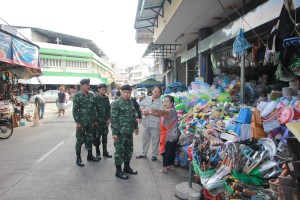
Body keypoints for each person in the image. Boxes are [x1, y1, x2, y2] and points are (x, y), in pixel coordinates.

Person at [111, 85, 139, 180]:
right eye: (125, 92)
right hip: (120, 132)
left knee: (129, 150)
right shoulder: (116, 103)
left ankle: (126, 167)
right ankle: (118, 171)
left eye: (128, 92)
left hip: (128, 131)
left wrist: (136, 127)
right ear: (121, 92)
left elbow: (133, 116)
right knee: (119, 151)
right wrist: (114, 133)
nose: (127, 94)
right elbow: (113, 119)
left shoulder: (130, 102)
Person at [73, 78, 100, 167]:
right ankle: (78, 158)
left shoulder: (91, 95)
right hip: (82, 122)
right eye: (86, 85)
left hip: (91, 122)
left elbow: (94, 108)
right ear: (82, 86)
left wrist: (95, 120)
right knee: (80, 140)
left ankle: (90, 155)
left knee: (90, 139)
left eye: (88, 85)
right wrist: (77, 122)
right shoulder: (78, 95)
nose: (88, 86)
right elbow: (75, 110)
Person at [151, 95, 179, 174]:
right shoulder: (170, 110)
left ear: (172, 103)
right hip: (173, 135)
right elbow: (162, 114)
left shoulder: (171, 110)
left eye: (167, 101)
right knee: (172, 151)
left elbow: (164, 112)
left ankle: (164, 168)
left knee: (166, 152)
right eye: (164, 101)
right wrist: (152, 112)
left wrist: (158, 111)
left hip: (169, 135)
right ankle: (171, 166)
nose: (164, 103)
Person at [136, 86, 163, 161]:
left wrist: (150, 113)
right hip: (146, 123)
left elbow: (160, 114)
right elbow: (141, 107)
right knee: (145, 139)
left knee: (155, 140)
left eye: (158, 92)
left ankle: (154, 155)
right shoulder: (146, 98)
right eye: (155, 91)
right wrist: (143, 110)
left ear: (160, 93)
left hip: (155, 124)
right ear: (152, 91)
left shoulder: (161, 102)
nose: (156, 93)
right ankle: (143, 153)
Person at [94, 83, 112, 159]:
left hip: (105, 122)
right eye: (102, 89)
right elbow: (94, 110)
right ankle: (98, 153)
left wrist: (109, 118)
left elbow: (109, 108)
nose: (104, 91)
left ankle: (105, 152)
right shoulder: (95, 98)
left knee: (105, 137)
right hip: (97, 122)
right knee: (97, 138)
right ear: (98, 89)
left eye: (105, 89)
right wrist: (95, 121)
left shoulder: (106, 98)